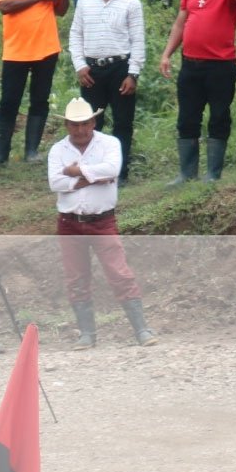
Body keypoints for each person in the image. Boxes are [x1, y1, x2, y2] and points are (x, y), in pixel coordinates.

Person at [48, 97, 156, 348]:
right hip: (70, 222)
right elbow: (55, 183)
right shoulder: (58, 150)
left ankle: (141, 329)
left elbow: (112, 170)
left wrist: (74, 172)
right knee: (76, 277)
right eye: (74, 125)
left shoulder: (109, 143)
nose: (80, 129)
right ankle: (88, 334)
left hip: (102, 220)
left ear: (93, 122)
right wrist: (92, 176)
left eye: (84, 123)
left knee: (119, 272)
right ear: (66, 125)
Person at [159, 0, 236, 183]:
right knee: (187, 117)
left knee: (219, 115)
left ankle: (213, 173)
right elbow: (180, 24)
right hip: (191, 64)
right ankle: (186, 173)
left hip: (220, 65)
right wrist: (167, 53)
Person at [69, 0, 145, 183]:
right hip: (92, 69)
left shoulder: (131, 3)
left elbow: (137, 40)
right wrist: (80, 65)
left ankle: (119, 172)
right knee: (92, 122)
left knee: (122, 122)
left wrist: (133, 73)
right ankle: (93, 170)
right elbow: (76, 34)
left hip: (120, 67)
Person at [0, 0, 66, 165]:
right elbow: (5, 6)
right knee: (9, 101)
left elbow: (60, 10)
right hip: (16, 50)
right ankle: (2, 154)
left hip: (46, 47)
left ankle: (32, 152)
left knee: (40, 100)